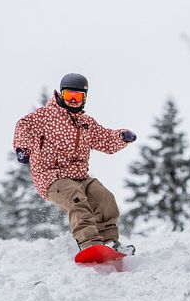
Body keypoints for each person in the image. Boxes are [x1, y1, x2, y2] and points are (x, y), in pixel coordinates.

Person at [13, 72, 137, 254]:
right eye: (69, 95)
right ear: (61, 95)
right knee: (76, 199)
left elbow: (105, 139)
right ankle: (90, 244)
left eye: (77, 96)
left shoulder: (86, 123)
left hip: (79, 177)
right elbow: (23, 126)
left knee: (105, 199)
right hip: (50, 176)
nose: (73, 100)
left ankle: (109, 242)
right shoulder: (45, 116)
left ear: (84, 98)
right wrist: (22, 148)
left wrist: (122, 137)